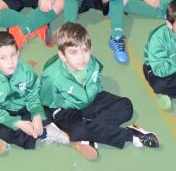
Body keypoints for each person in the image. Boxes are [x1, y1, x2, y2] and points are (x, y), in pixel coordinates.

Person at [39, 21, 159, 156]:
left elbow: (96, 87)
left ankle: (90, 136)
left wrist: (97, 103)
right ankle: (131, 134)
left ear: (91, 49)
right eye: (73, 52)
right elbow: (45, 102)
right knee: (76, 130)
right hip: (65, 109)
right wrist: (49, 122)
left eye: (85, 50)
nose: (81, 57)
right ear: (62, 55)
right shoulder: (52, 76)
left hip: (90, 99)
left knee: (125, 106)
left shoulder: (93, 64)